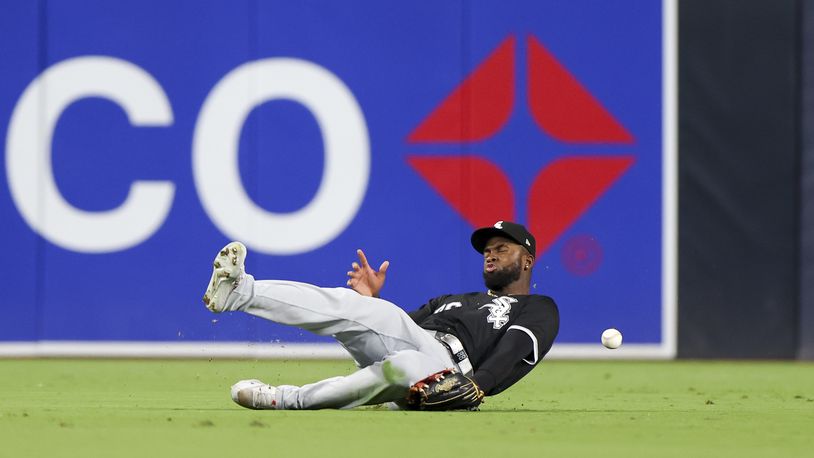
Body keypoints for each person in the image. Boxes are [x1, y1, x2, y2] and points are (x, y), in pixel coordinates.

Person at [203, 220, 559, 410]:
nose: (490, 254)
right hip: (419, 355)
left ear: (527, 261)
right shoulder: (451, 299)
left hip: (449, 380)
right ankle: (240, 292)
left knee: (404, 365)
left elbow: (515, 351)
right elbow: (395, 329)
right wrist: (373, 301)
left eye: (502, 249)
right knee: (354, 308)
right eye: (487, 250)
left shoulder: (538, 307)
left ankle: (284, 399)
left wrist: (478, 385)